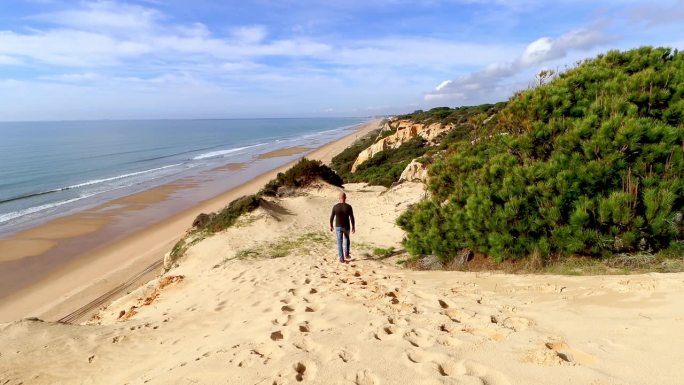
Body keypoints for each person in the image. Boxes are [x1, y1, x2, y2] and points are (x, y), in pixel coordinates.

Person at [329, 192, 355, 263]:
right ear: (345, 198)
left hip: (338, 227)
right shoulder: (348, 207)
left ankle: (341, 258)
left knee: (339, 242)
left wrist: (331, 225)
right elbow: (352, 218)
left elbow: (331, 217)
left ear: (339, 198)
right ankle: (346, 254)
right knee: (347, 239)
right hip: (346, 227)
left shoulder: (335, 206)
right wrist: (353, 227)